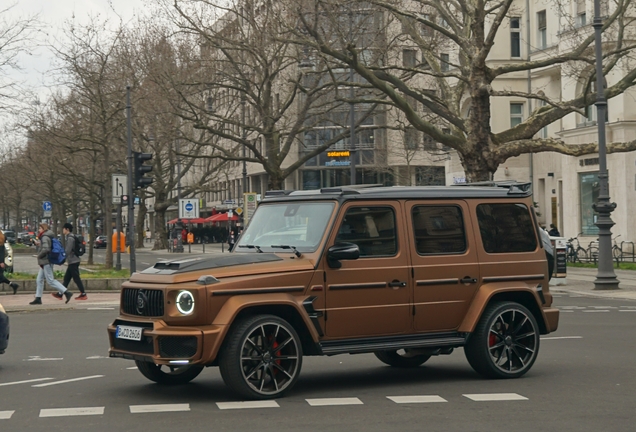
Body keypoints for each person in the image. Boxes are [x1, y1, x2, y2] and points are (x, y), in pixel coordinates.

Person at [29, 223, 72, 305]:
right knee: (39, 279)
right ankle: (38, 298)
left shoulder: (44, 237)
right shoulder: (48, 236)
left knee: (50, 280)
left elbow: (46, 249)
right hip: (47, 260)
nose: (39, 230)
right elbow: (47, 246)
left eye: (40, 228)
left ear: (43, 229)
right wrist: (38, 244)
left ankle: (66, 292)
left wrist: (39, 256)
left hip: (46, 261)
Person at [60, 223, 87, 300]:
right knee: (67, 278)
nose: (63, 230)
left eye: (63, 229)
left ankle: (83, 293)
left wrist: (62, 257)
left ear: (67, 229)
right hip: (72, 261)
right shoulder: (70, 237)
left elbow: (68, 250)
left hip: (73, 261)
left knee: (76, 278)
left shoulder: (70, 238)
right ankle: (60, 293)